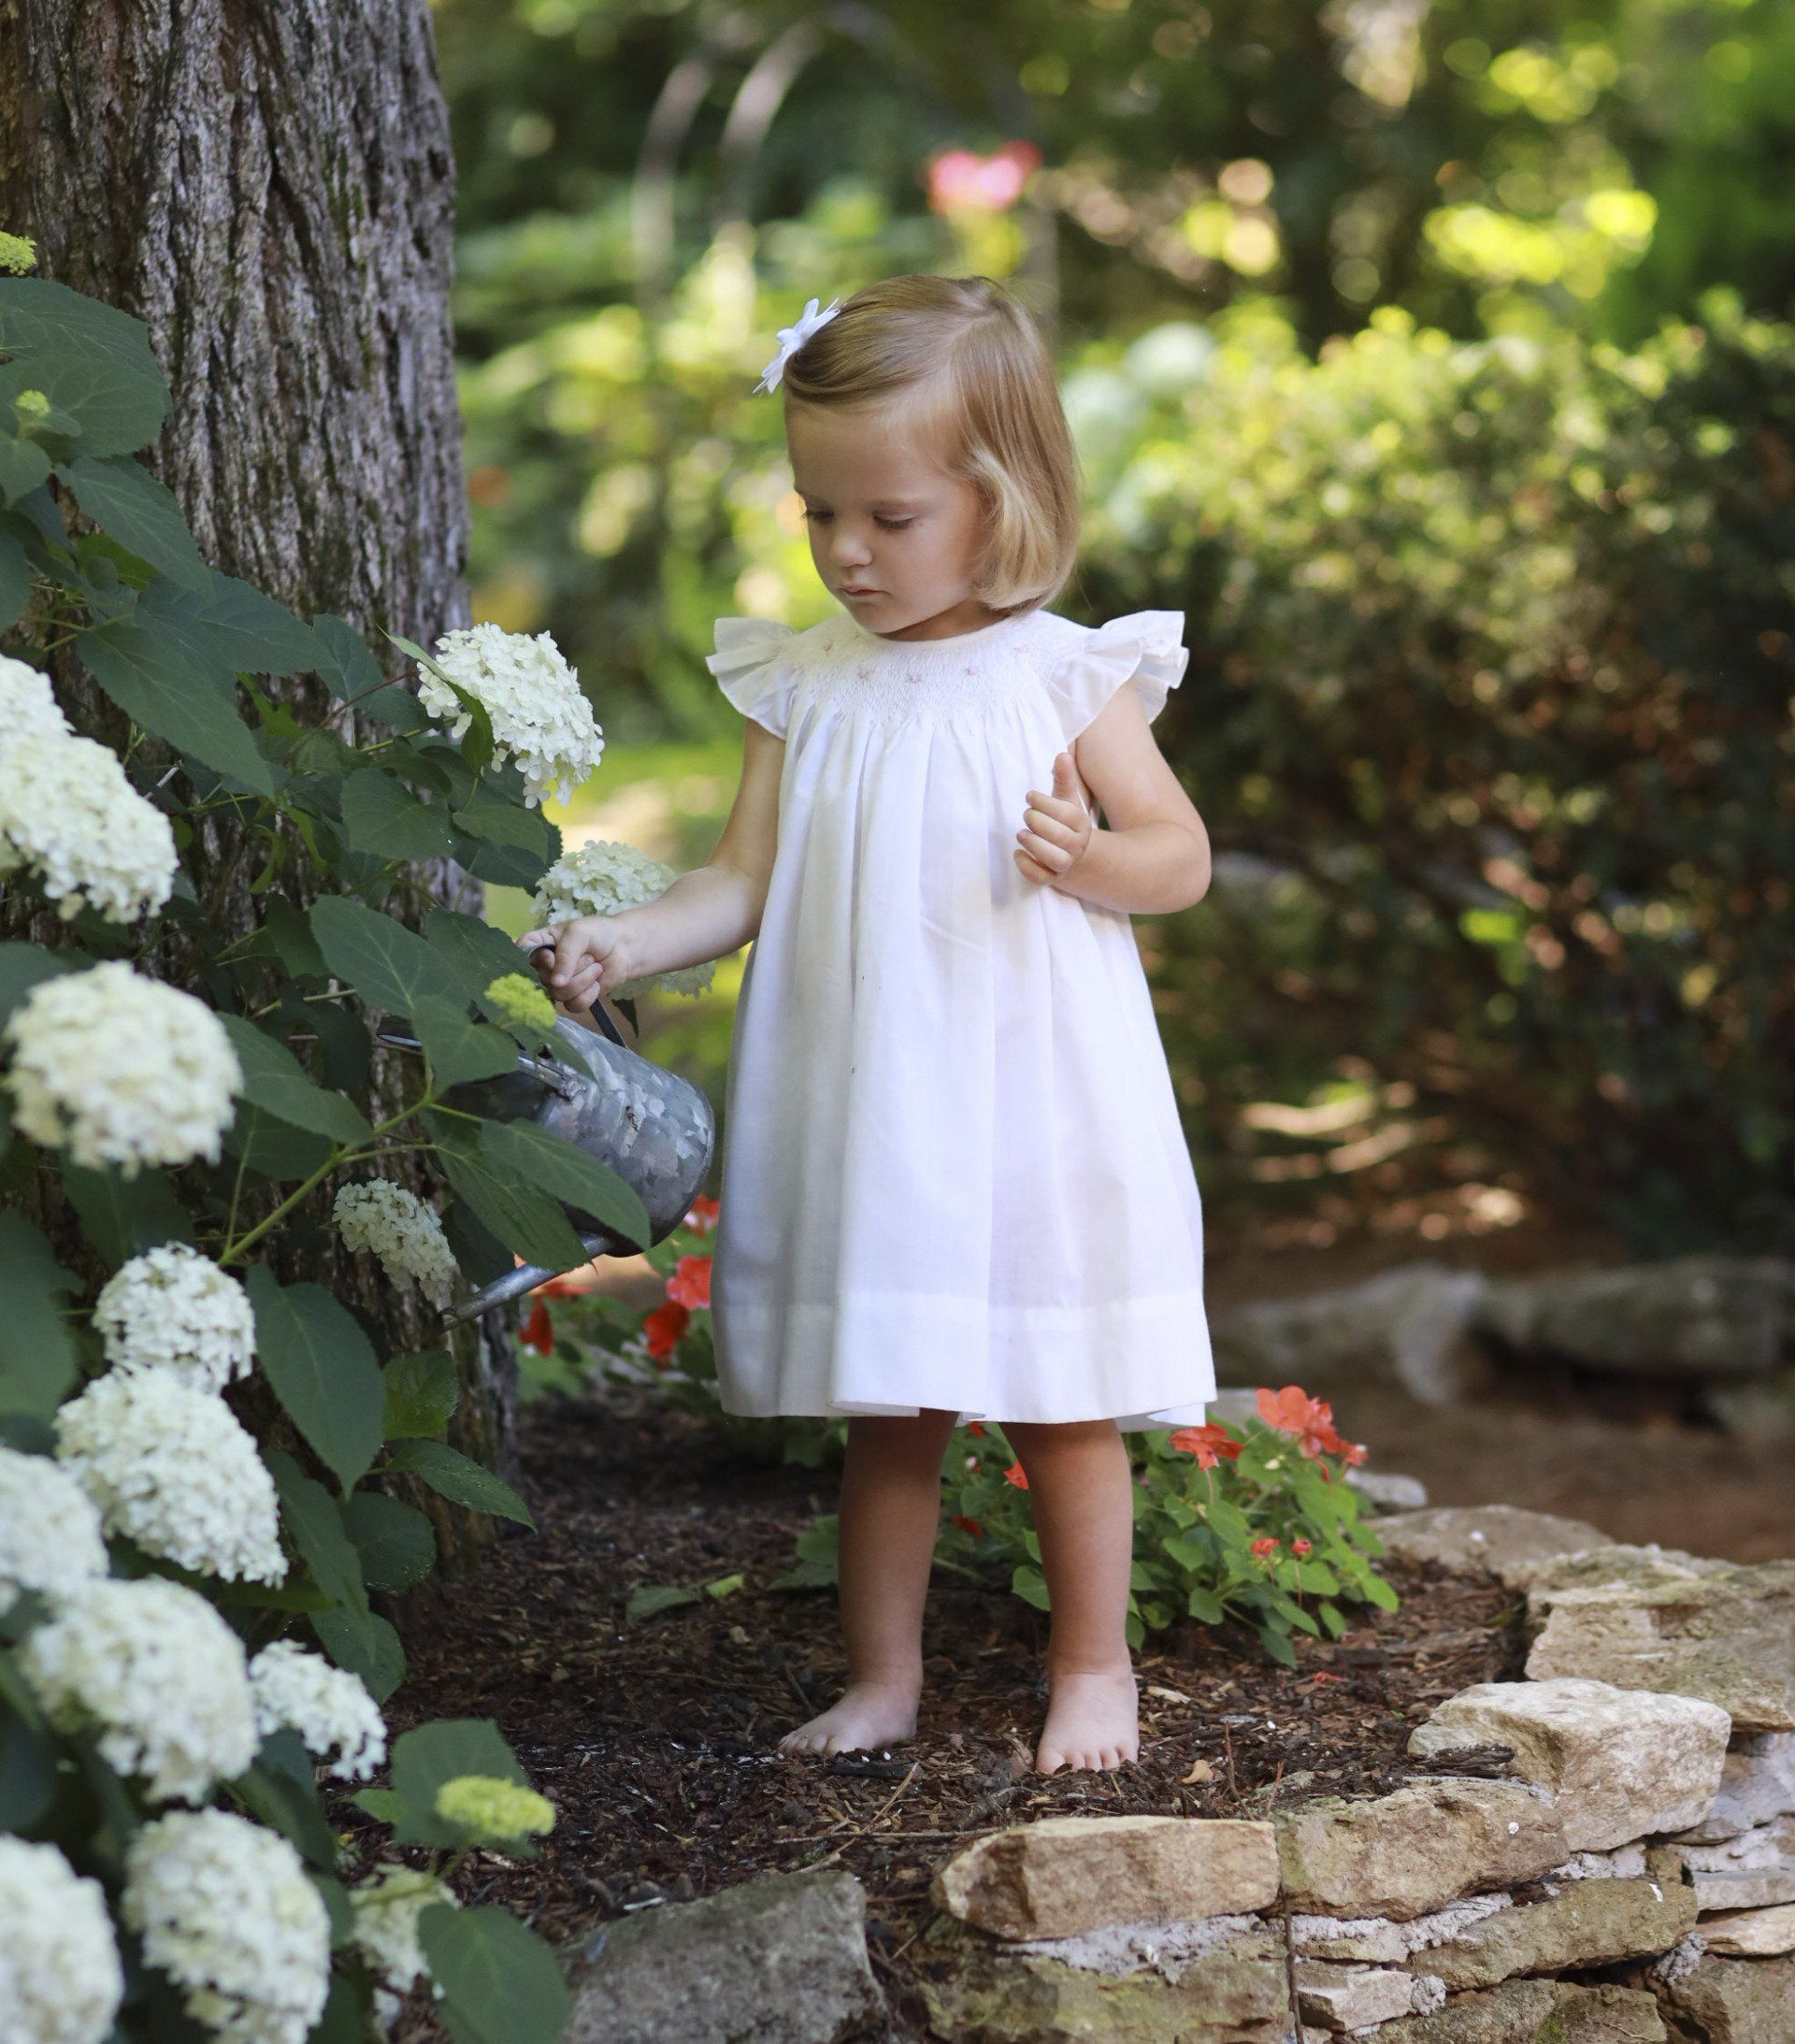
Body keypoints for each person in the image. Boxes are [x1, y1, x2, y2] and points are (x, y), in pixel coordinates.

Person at [519, 273, 1216, 1775]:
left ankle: (1094, 1666)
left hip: (1029, 1092)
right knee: (892, 1408)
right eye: (816, 511)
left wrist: (1088, 857)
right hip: (878, 1096)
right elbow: (742, 877)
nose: (846, 550)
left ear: (1002, 498)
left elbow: (1180, 854)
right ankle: (881, 1678)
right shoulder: (805, 686)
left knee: (1058, 1399)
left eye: (888, 518)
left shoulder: (1061, 673)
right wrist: (627, 935)